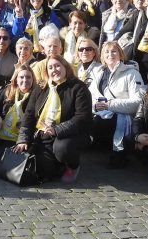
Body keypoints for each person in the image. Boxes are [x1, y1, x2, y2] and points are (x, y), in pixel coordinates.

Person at [15, 55, 92, 183]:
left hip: (72, 134)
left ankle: (73, 166)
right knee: (35, 166)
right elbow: (29, 115)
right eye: (50, 67)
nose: (54, 70)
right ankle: (57, 164)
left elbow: (82, 117)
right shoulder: (41, 88)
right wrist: (23, 140)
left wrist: (56, 130)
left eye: (57, 66)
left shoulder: (79, 88)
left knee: (62, 149)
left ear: (65, 67)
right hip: (43, 134)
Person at [89, 41, 146, 168]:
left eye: (114, 51)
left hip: (125, 116)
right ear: (102, 56)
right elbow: (91, 96)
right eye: (107, 52)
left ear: (120, 54)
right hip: (101, 113)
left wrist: (109, 105)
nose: (110, 54)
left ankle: (120, 154)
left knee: (106, 122)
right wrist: (94, 106)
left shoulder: (132, 74)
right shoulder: (97, 73)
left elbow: (138, 103)